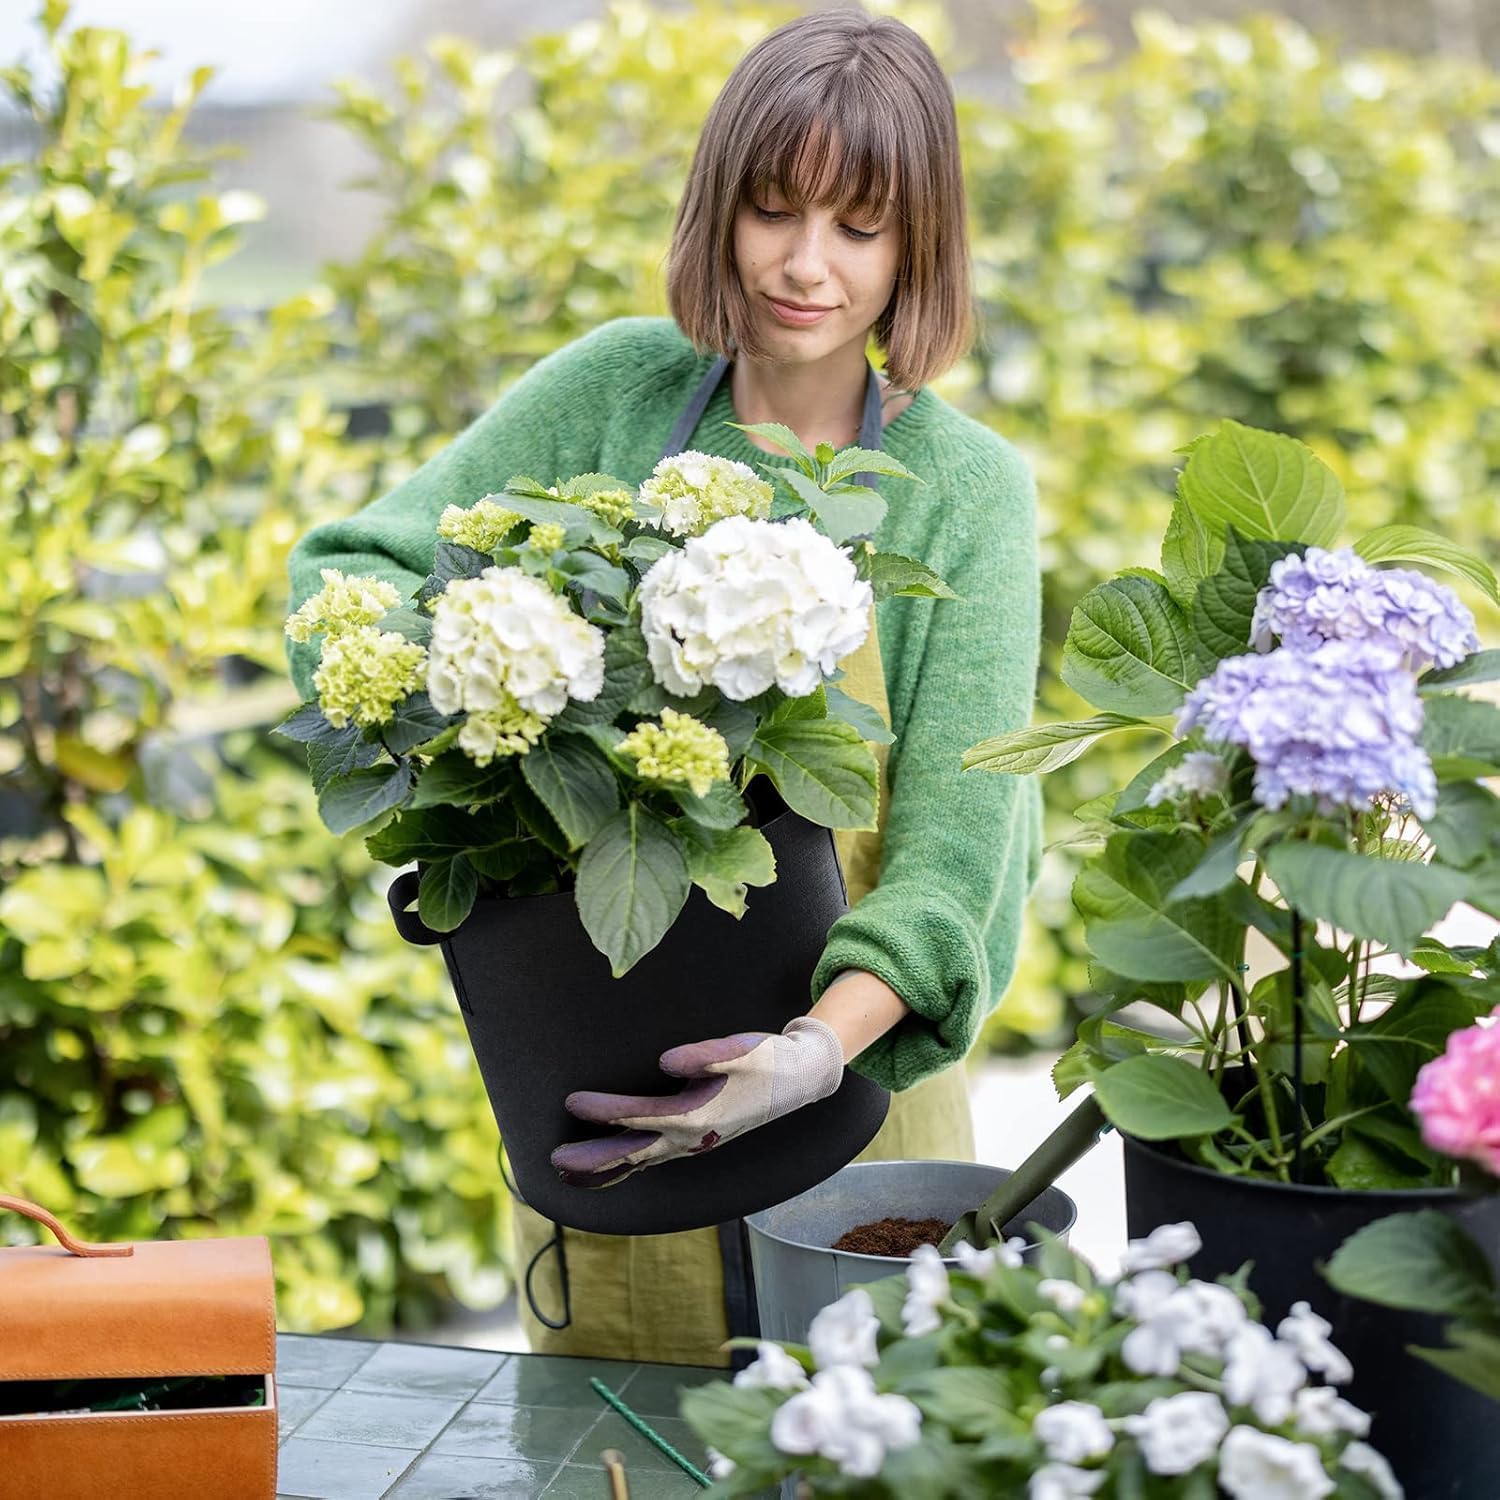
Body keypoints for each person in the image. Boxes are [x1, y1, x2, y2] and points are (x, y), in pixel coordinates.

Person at [285, 8, 1043, 1366]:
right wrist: (467, 689)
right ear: (721, 211)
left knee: (864, 1437)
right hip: (597, 1091)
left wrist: (807, 1057)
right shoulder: (619, 395)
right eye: (772, 211)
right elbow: (351, 568)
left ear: (918, 242)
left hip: (857, 1113)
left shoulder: (964, 492)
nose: (806, 265)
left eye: (860, 227)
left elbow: (959, 852)